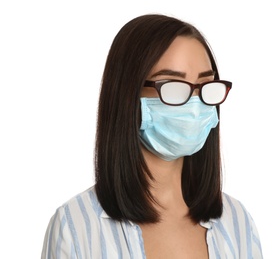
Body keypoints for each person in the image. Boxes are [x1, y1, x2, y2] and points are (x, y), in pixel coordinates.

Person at [41, 14, 263, 258]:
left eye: (205, 85)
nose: (194, 103)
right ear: (128, 95)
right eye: (173, 85)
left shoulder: (238, 222)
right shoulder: (77, 226)